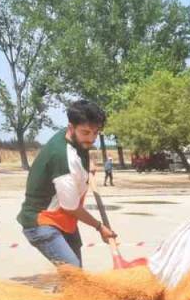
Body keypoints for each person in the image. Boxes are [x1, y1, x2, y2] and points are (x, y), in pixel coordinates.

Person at [18, 100, 117, 268]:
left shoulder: (73, 138)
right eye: (86, 133)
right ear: (71, 128)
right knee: (74, 273)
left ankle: (64, 294)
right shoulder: (63, 159)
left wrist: (86, 167)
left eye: (95, 133)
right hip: (42, 222)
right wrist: (99, 227)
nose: (91, 139)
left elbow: (80, 153)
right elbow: (70, 207)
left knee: (72, 277)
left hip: (65, 221)